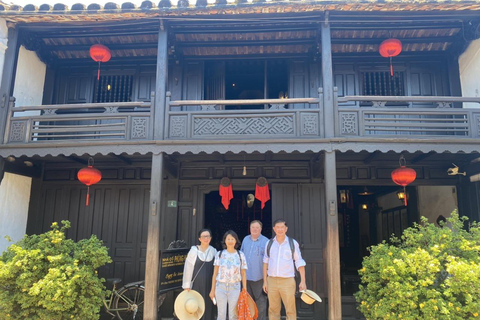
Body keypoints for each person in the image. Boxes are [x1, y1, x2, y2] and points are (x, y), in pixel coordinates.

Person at [262, 219, 307, 320]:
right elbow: (265, 263)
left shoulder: (292, 243)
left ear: (286, 229)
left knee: (290, 309)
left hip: (287, 281)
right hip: (272, 280)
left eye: (282, 227)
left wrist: (303, 281)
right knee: (273, 309)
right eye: (277, 227)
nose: (280, 229)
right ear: (274, 229)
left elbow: (299, 262)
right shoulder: (269, 244)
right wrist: (265, 281)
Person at [209, 230, 248, 320]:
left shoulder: (240, 255)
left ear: (236, 241)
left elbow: (243, 273)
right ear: (225, 241)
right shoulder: (220, 254)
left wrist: (244, 289)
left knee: (233, 315)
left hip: (235, 287)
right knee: (221, 314)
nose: (230, 241)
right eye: (228, 239)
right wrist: (212, 290)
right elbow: (215, 274)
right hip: (220, 287)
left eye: (232, 239)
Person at [182, 228, 217, 320]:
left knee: (208, 306)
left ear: (211, 238)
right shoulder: (194, 250)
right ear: (199, 239)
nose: (206, 238)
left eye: (208, 236)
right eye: (204, 236)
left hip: (210, 284)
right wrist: (187, 284)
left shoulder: (213, 251)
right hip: (197, 284)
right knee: (196, 306)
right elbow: (188, 268)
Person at [240, 220, 269, 320]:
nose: (255, 229)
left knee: (260, 301)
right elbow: (241, 255)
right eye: (253, 227)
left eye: (257, 227)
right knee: (248, 301)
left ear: (261, 229)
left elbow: (269, 259)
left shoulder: (266, 241)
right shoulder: (245, 239)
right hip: (246, 277)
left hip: (259, 277)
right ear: (250, 228)